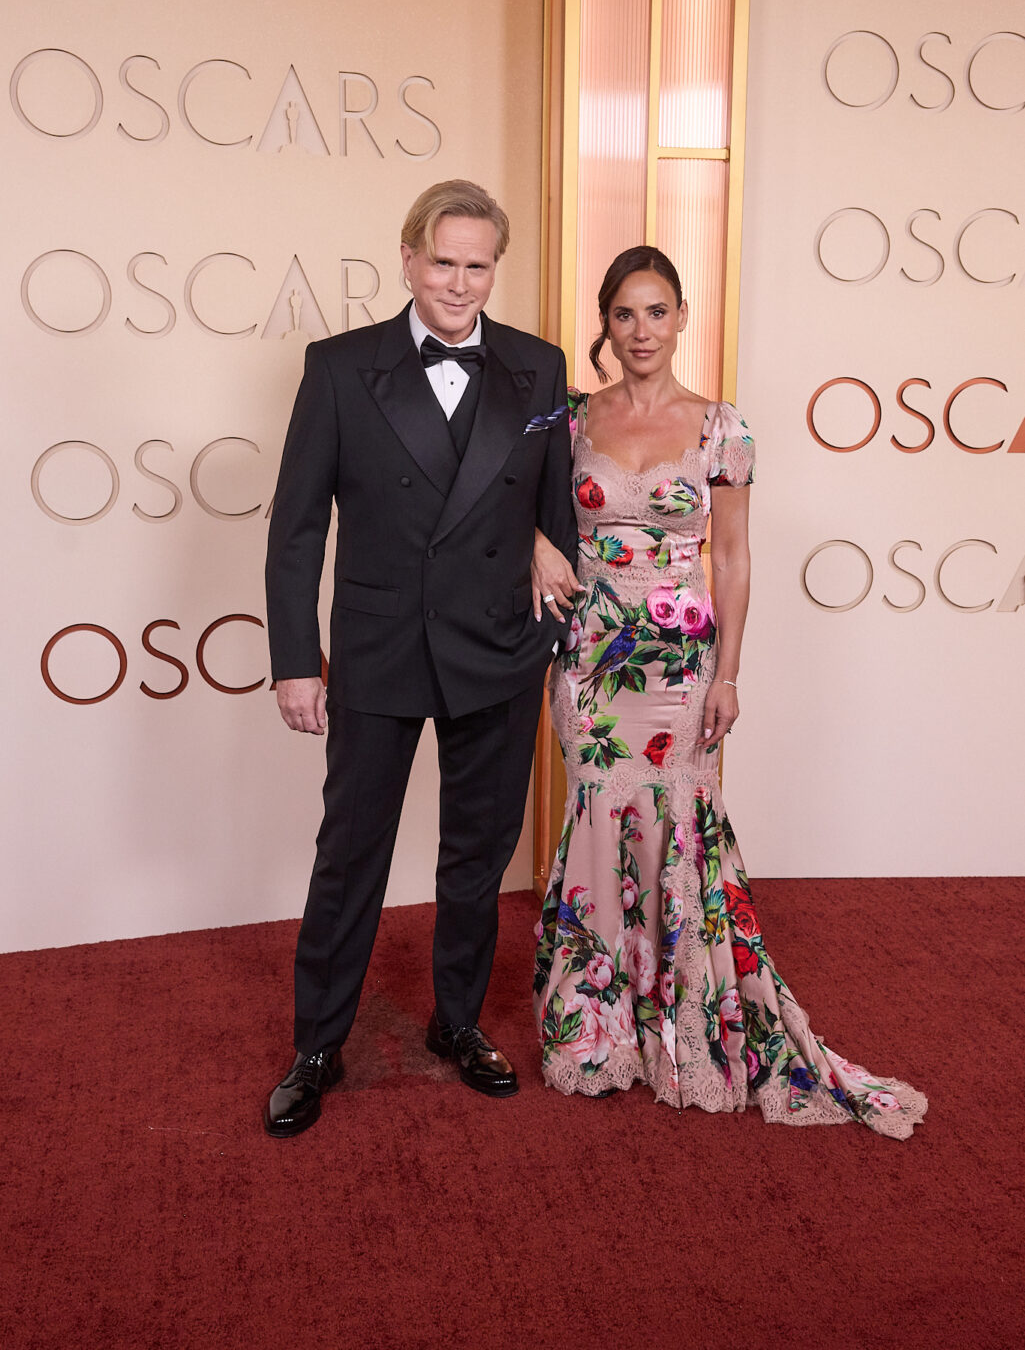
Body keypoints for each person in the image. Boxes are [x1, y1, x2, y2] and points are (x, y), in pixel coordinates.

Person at [530, 246, 927, 1139]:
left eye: (657, 312)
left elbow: (734, 557)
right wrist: (534, 547)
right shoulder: (562, 419)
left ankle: (683, 1028)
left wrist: (729, 674)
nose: (641, 331)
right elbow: (517, 512)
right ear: (606, 320)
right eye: (625, 314)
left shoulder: (721, 427)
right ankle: (597, 1029)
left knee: (680, 827)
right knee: (596, 819)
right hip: (591, 661)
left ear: (680, 317)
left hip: (679, 666)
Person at [262, 179, 576, 1136]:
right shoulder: (339, 366)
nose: (459, 282)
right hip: (378, 644)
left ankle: (457, 1022)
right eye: (443, 261)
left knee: (476, 859)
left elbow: (553, 510)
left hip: (496, 649)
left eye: (478, 265)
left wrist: (549, 625)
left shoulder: (539, 367)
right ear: (407, 258)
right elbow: (297, 527)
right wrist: (294, 659)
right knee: (349, 855)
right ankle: (318, 1044)